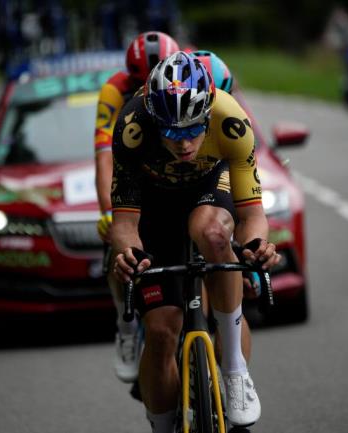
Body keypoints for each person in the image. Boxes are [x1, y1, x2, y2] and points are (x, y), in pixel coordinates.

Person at [111, 51, 282, 431]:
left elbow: (252, 214)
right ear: (155, 119)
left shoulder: (232, 119)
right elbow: (124, 222)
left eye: (193, 130)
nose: (184, 143)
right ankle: (160, 424)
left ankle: (235, 371)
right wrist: (129, 252)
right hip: (156, 204)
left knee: (214, 233)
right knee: (159, 330)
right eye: (172, 132)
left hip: (209, 188)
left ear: (207, 113)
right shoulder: (131, 128)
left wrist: (255, 246)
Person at [94, 30, 179, 384]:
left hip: (175, 169)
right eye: (141, 83)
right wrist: (107, 212)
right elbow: (103, 159)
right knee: (119, 244)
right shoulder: (114, 91)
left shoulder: (189, 72)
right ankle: (126, 324)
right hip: (133, 169)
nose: (150, 89)